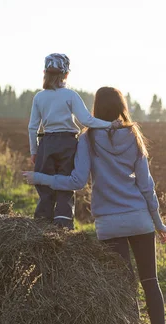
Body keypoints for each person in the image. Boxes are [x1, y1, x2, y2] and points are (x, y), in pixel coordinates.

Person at [23, 87, 166, 324]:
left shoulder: (87, 139)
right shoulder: (133, 134)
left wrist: (42, 178)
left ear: (95, 109)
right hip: (140, 219)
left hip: (109, 223)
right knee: (150, 280)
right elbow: (146, 185)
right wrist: (158, 221)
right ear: (121, 107)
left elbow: (77, 181)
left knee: (123, 284)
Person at [28, 53, 122, 229]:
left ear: (45, 72)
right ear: (66, 74)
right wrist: (110, 125)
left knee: (45, 187)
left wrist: (34, 151)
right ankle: (63, 226)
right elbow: (87, 120)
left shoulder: (39, 98)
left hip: (46, 144)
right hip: (68, 145)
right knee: (65, 186)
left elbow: (33, 127)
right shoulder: (70, 95)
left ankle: (41, 225)